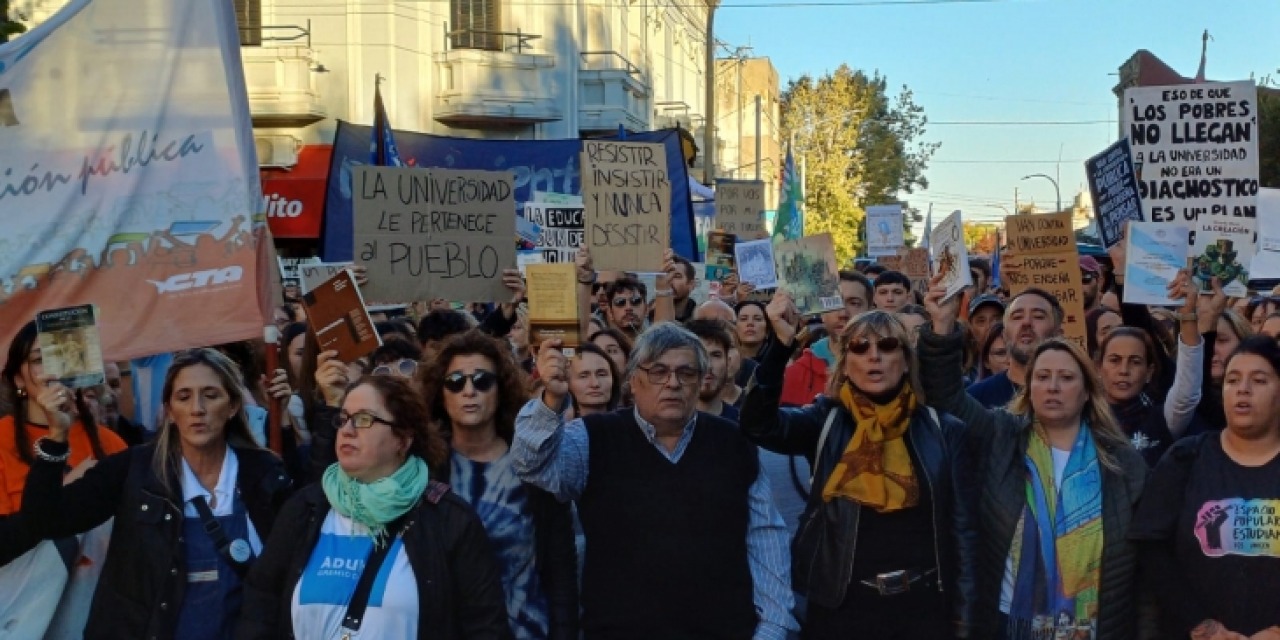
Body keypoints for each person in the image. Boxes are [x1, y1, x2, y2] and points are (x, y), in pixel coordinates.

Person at [514, 324, 798, 638]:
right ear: (633, 381)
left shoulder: (734, 442)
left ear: (701, 380)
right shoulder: (592, 438)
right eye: (658, 372)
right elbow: (531, 466)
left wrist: (771, 629)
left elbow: (765, 538)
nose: (673, 383)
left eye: (686, 373)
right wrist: (551, 400)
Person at [918, 279, 1148, 640]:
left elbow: (1146, 570)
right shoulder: (1001, 436)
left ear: (1088, 390)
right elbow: (947, 397)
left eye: (1066, 377)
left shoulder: (1123, 465)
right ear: (1029, 388)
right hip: (1008, 624)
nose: (1053, 387)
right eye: (1042, 377)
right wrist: (943, 326)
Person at [19, 349, 290, 640]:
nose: (197, 408)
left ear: (233, 406)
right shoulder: (133, 470)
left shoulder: (264, 473)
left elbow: (295, 558)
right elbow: (46, 520)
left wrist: (294, 419)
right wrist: (57, 437)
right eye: (184, 397)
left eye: (211, 395)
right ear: (170, 410)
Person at [741, 295, 969, 638]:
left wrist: (965, 616)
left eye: (887, 345)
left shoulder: (944, 430)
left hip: (924, 610)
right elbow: (759, 425)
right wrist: (779, 347)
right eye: (860, 347)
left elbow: (965, 531)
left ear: (906, 361)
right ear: (845, 364)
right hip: (841, 610)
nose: (873, 356)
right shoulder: (825, 421)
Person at [237, 374, 510, 638]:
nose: (347, 430)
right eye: (343, 419)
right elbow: (261, 606)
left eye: (364, 419)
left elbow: (485, 626)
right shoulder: (305, 508)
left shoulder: (448, 519)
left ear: (403, 439)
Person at [420, 332, 578, 640]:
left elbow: (561, 571)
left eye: (482, 380)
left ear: (501, 388)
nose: (469, 391)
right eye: (455, 381)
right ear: (440, 393)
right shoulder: (423, 470)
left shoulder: (533, 465)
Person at [1130, 335, 1280, 639]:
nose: (1243, 389)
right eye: (1232, 379)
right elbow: (1151, 548)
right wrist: (1203, 626)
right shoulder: (1186, 458)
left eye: (1259, 380)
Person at [1, 321, 128, 514]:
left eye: (62, 358)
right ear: (18, 379)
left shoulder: (110, 442)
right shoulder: (3, 439)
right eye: (39, 360)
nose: (53, 371)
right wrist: (67, 489)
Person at [781, 270, 873, 407]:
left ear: (870, 311)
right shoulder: (795, 375)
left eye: (854, 303)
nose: (843, 313)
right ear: (822, 312)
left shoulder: (887, 370)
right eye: (834, 302)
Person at [966, 288, 1063, 409]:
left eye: (1038, 316)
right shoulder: (974, 399)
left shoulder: (1076, 394)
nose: (1026, 322)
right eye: (1017, 317)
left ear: (1058, 334)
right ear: (1005, 335)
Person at [564, 343, 621, 417]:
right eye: (584, 376)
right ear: (568, 383)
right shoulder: (559, 426)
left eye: (601, 375)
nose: (595, 384)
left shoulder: (630, 424)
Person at [670, 255, 700, 323]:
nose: (669, 280)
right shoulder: (650, 315)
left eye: (677, 276)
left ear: (691, 284)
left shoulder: (699, 319)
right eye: (666, 275)